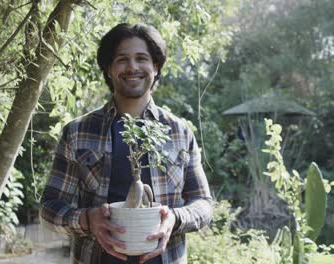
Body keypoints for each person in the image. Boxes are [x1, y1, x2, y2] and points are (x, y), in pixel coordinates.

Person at [40, 23, 213, 264]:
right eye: (122, 59)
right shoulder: (78, 132)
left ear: (156, 66)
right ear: (108, 69)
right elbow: (49, 208)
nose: (132, 67)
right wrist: (87, 219)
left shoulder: (179, 133)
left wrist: (174, 218)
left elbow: (204, 205)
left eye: (142, 58)